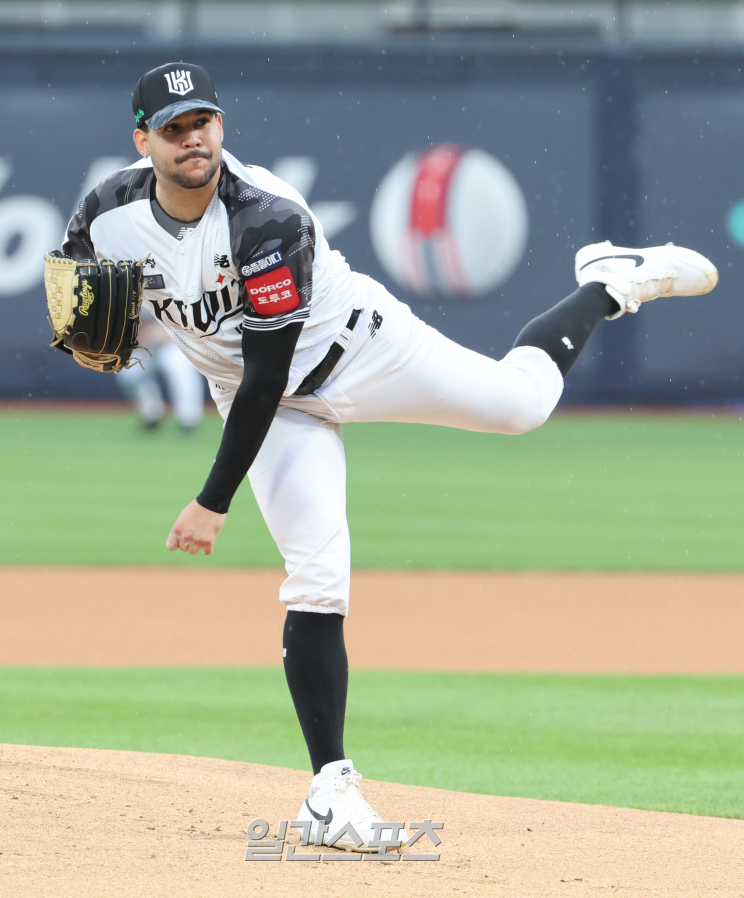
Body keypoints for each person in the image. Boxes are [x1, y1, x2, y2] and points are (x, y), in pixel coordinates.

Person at [61, 61, 718, 853]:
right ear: (143, 141)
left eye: (202, 121)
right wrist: (84, 336)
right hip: (261, 402)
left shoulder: (267, 218)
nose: (192, 138)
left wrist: (213, 500)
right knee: (317, 576)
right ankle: (330, 795)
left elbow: (270, 371)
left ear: (221, 126)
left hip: (363, 351)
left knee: (522, 406)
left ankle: (607, 285)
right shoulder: (107, 212)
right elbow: (75, 287)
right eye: (173, 128)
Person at [116, 307, 207, 433]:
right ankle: (151, 414)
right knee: (129, 367)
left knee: (179, 363)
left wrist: (154, 334)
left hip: (174, 343)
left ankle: (188, 418)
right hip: (145, 346)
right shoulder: (127, 296)